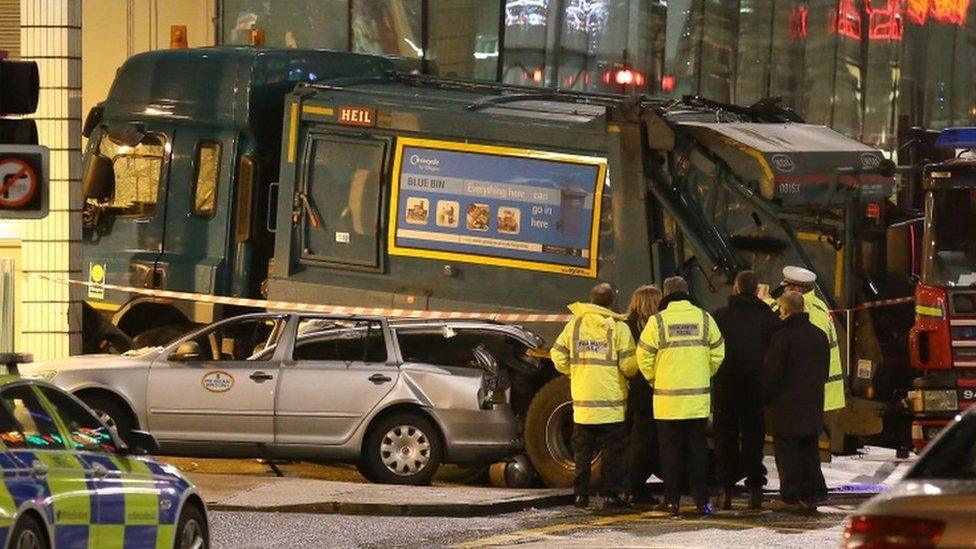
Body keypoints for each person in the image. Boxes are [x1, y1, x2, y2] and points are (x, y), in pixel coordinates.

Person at [636, 276, 724, 517]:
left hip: (667, 403)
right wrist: (704, 374)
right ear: (687, 292)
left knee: (670, 454)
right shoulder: (705, 319)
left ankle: (671, 501)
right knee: (697, 453)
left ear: (666, 294)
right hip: (696, 403)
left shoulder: (657, 322)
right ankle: (702, 502)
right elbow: (718, 352)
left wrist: (656, 379)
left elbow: (642, 357)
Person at [551, 283, 639, 509]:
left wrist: (577, 370)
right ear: (612, 302)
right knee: (613, 453)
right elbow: (630, 366)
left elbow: (558, 357)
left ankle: (581, 495)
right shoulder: (618, 328)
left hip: (583, 405)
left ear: (590, 300)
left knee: (582, 452)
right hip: (611, 405)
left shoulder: (575, 325)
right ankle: (611, 496)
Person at [712, 271, 780, 510]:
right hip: (756, 389)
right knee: (753, 441)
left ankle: (724, 491)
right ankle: (754, 491)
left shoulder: (721, 316)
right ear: (756, 290)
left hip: (726, 389)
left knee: (725, 441)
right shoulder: (770, 319)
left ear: (736, 289)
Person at [763, 291, 830, 513]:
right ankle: (813, 494)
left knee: (788, 454)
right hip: (812, 404)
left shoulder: (782, 337)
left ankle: (790, 497)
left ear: (784, 310)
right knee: (810, 452)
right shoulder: (819, 335)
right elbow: (825, 372)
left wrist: (766, 398)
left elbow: (772, 374)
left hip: (787, 407)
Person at [769, 266, 845, 413]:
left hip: (811, 396)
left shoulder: (810, 312)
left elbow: (806, 355)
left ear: (795, 290)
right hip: (815, 393)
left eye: (786, 289)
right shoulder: (819, 305)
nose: (783, 293)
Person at [624, 285, 662, 505]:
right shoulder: (657, 327)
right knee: (645, 443)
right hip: (651, 391)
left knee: (637, 441)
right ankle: (635, 488)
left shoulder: (627, 326)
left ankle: (632, 486)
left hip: (633, 391)